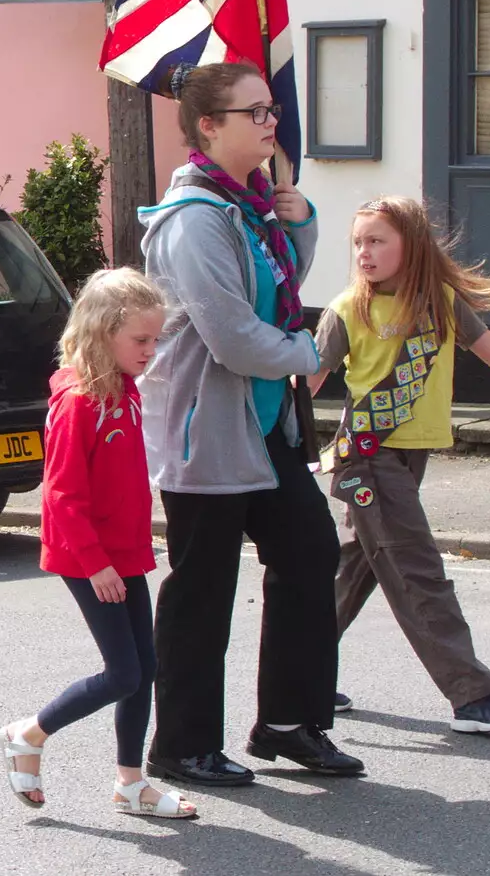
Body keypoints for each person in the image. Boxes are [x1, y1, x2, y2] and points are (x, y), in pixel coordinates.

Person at [138, 61, 362, 786]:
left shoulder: (248, 207)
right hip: (210, 429)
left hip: (263, 425)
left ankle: (291, 722)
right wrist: (309, 351)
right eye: (255, 112)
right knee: (203, 587)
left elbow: (277, 291)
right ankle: (181, 744)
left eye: (270, 110)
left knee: (306, 551)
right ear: (209, 126)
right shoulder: (195, 219)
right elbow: (235, 335)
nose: (271, 122)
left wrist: (299, 224)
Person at [312, 196, 490, 734]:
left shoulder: (442, 302)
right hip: (367, 458)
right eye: (359, 242)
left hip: (410, 454)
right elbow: (305, 383)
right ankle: (472, 697)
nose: (364, 251)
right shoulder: (345, 310)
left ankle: (300, 677)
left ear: (411, 243)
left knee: (351, 572)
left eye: (377, 240)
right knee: (416, 570)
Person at [0, 269, 197, 819]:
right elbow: (61, 494)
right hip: (90, 558)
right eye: (141, 340)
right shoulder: (78, 403)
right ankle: (30, 734)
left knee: (144, 667)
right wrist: (96, 564)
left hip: (123, 552)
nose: (150, 350)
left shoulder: (124, 390)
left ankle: (130, 784)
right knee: (124, 672)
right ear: (103, 332)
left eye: (156, 339)